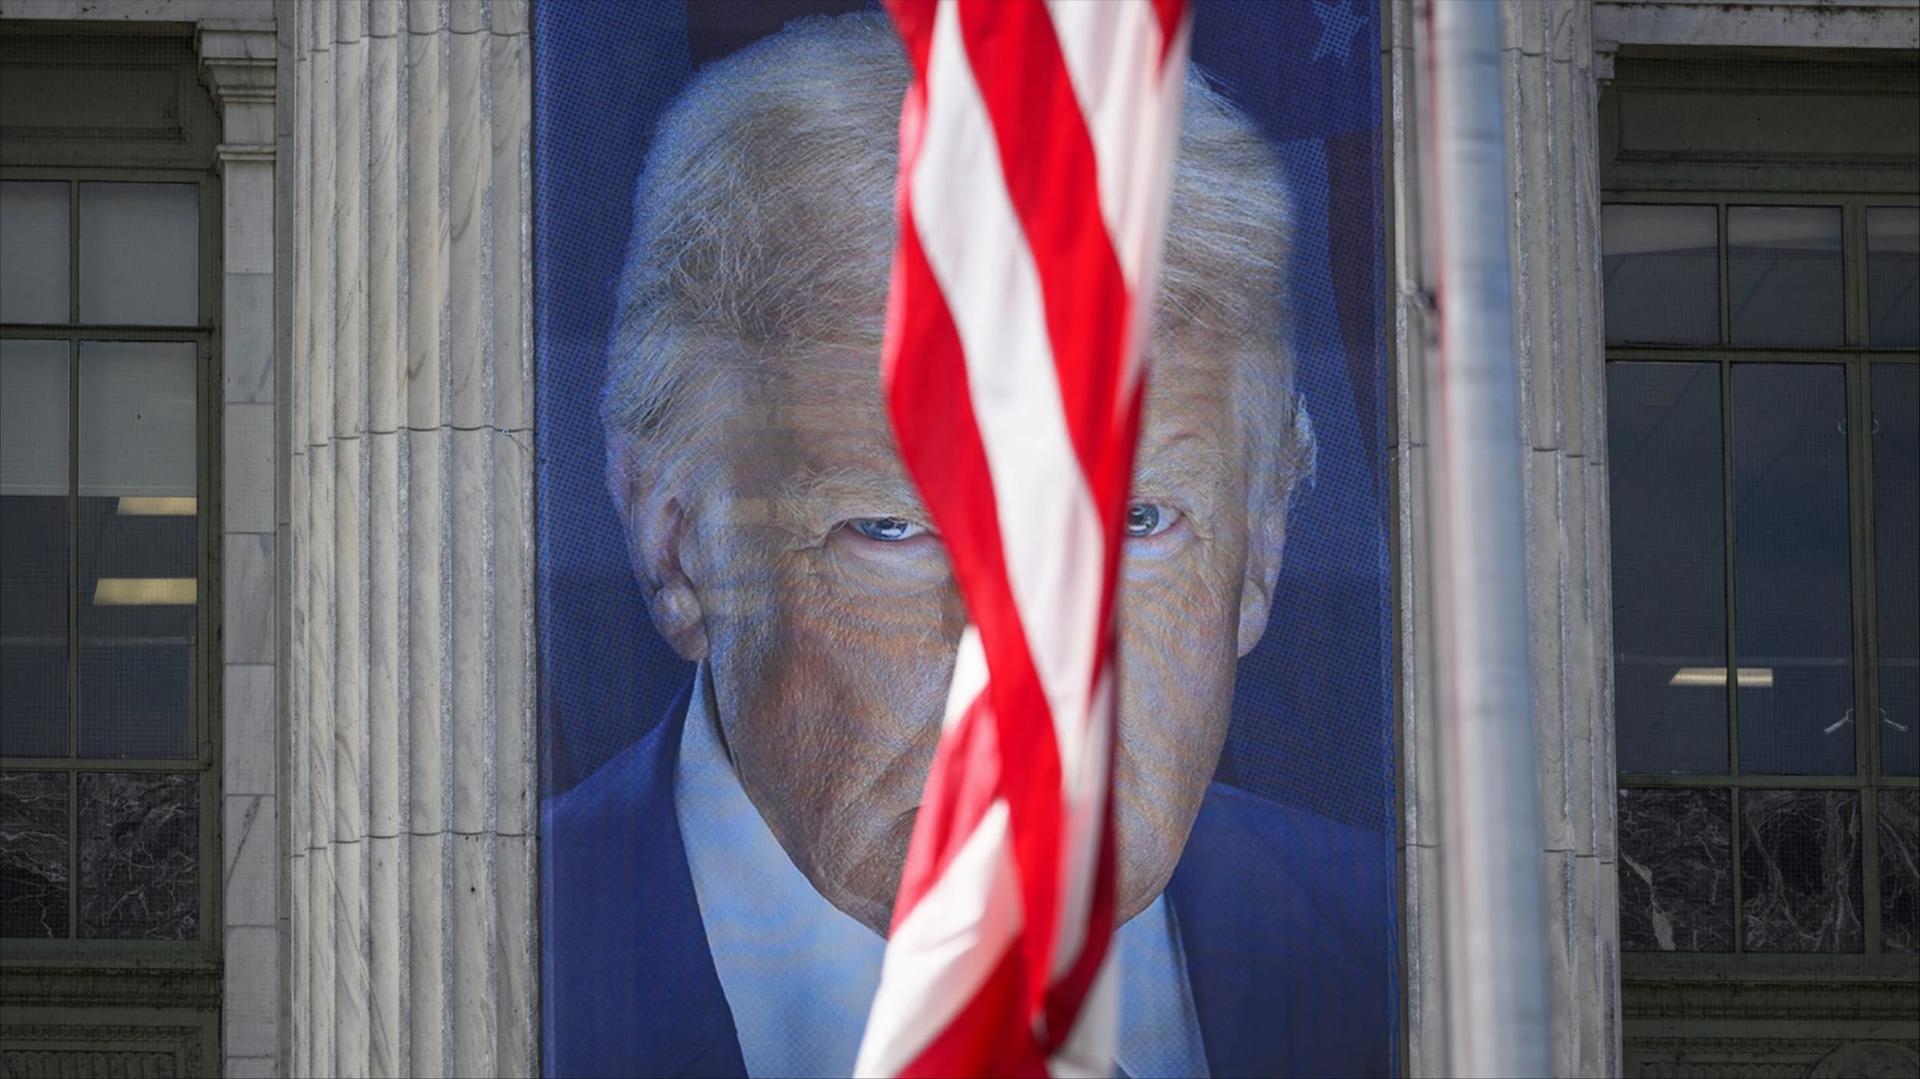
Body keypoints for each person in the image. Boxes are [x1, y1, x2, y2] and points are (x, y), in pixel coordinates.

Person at [545, 13, 1389, 1078]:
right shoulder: (496, 950)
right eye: (896, 528)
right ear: (676, 546)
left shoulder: (1401, 955)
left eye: (1135, 522)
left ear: (1260, 547)